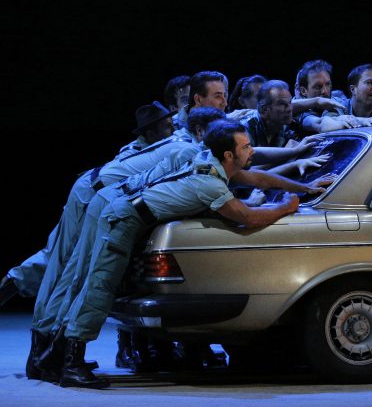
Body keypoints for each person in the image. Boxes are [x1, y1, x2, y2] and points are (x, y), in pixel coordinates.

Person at [47, 120, 332, 388]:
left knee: (95, 283)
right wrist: (286, 208)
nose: (252, 150)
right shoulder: (209, 183)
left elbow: (259, 179)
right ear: (228, 155)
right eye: (245, 147)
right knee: (100, 286)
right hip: (122, 219)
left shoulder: (212, 164)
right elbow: (247, 217)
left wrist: (304, 187)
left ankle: (55, 356)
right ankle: (71, 364)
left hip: (126, 213)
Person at [0, 101, 175, 340]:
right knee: (60, 261)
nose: (174, 131)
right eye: (168, 127)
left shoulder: (157, 145)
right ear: (150, 132)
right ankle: (38, 335)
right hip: (88, 199)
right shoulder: (136, 151)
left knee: (57, 257)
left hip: (91, 197)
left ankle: (0, 298)